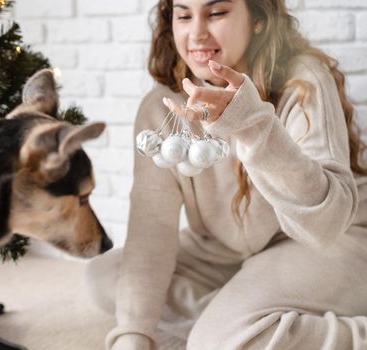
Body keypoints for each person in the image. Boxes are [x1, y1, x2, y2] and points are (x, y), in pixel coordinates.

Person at [85, 0, 367, 349]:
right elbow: (151, 232)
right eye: (184, 15)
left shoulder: (303, 80)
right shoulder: (161, 108)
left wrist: (254, 126)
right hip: (225, 251)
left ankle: (247, 327)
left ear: (259, 19)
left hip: (331, 242)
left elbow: (324, 225)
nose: (197, 33)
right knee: (105, 278)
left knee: (214, 341)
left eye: (216, 13)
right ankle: (248, 320)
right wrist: (133, 335)